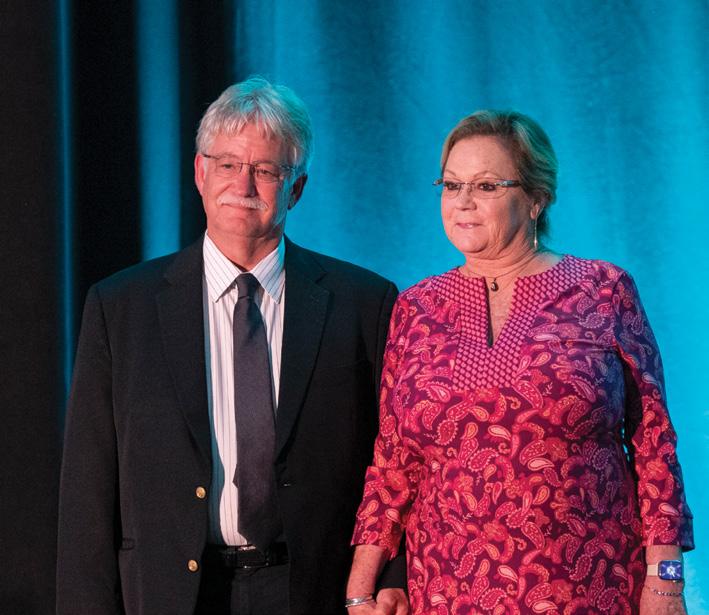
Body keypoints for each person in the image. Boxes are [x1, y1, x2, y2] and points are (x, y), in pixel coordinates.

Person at [57, 77, 408, 615]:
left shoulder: (364, 304)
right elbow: (88, 488)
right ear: (201, 173)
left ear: (296, 188)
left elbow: (400, 463)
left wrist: (391, 580)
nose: (243, 184)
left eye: (266, 170)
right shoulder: (120, 307)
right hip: (171, 595)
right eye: (227, 165)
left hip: (314, 590)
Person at [346, 110, 693, 614]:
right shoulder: (416, 308)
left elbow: (654, 444)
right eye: (451, 185)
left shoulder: (603, 290)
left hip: (588, 591)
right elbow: (393, 464)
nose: (462, 201)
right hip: (445, 594)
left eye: (486, 185)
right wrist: (360, 590)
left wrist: (667, 584)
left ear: (536, 197)